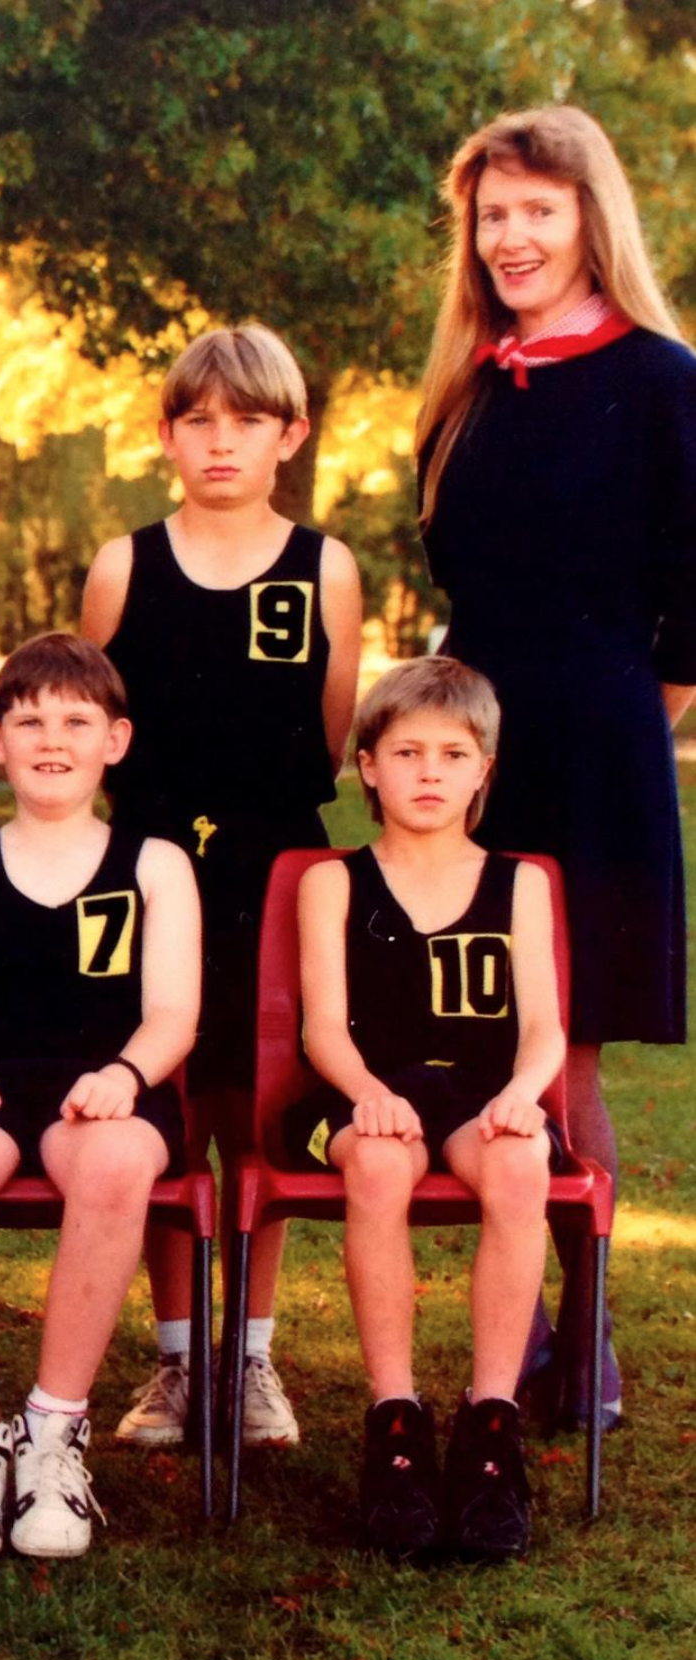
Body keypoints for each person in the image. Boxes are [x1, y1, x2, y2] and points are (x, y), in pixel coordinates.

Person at [414, 105, 695, 1432]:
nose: (512, 236)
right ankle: (509, 1326)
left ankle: (584, 1341)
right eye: (491, 214)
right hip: (470, 752)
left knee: (558, 1048)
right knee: (467, 1036)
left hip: (591, 745)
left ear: (589, 216)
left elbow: (690, 606)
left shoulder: (658, 374)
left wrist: (615, 711)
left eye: (537, 208)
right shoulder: (470, 380)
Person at [80, 324, 363, 1452]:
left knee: (261, 1111)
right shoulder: (124, 563)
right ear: (164, 433)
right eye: (195, 418)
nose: (219, 440)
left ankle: (248, 1356)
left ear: (287, 433)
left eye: (246, 419)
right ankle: (175, 1358)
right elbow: (97, 724)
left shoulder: (323, 566)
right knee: (165, 1106)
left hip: (271, 867)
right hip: (151, 868)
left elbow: (330, 733)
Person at [0, 634, 198, 1565]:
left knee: (111, 1158)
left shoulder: (153, 864)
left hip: (105, 1094)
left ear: (117, 739)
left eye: (75, 721)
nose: (51, 740)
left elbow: (175, 1011)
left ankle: (55, 1436)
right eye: (29, 722)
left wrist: (129, 1076)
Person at [290, 657, 563, 1559]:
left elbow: (545, 1031)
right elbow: (325, 1027)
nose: (430, 772)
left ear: (486, 768)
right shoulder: (333, 881)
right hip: (370, 1090)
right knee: (374, 1163)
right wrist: (369, 1094)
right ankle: (395, 1420)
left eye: (453, 753)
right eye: (407, 751)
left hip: (484, 1096)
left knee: (522, 1164)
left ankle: (493, 1424)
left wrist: (523, 1098)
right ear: (367, 765)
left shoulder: (518, 882)